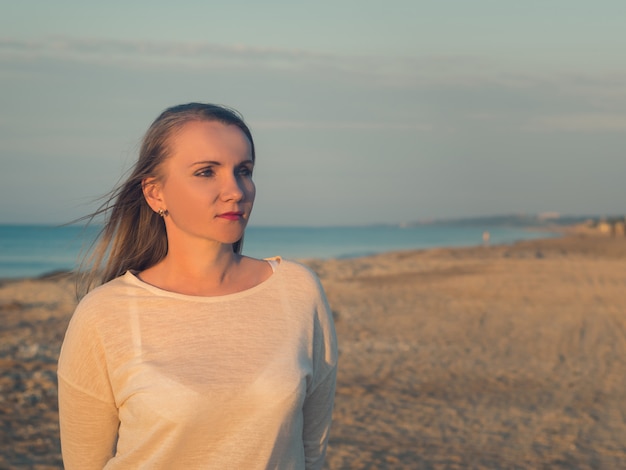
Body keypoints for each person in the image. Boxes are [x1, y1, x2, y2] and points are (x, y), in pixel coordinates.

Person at [57, 103, 338, 469]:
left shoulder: (297, 291)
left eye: (244, 171)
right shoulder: (104, 314)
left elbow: (312, 452)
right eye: (206, 172)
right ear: (155, 193)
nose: (235, 190)